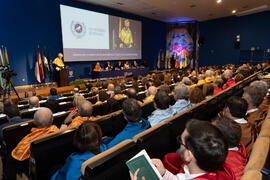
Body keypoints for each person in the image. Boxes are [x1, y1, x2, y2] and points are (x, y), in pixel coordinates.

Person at [130, 119, 230, 179]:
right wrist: (165, 174)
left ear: (188, 155)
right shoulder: (223, 175)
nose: (179, 145)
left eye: (181, 141)